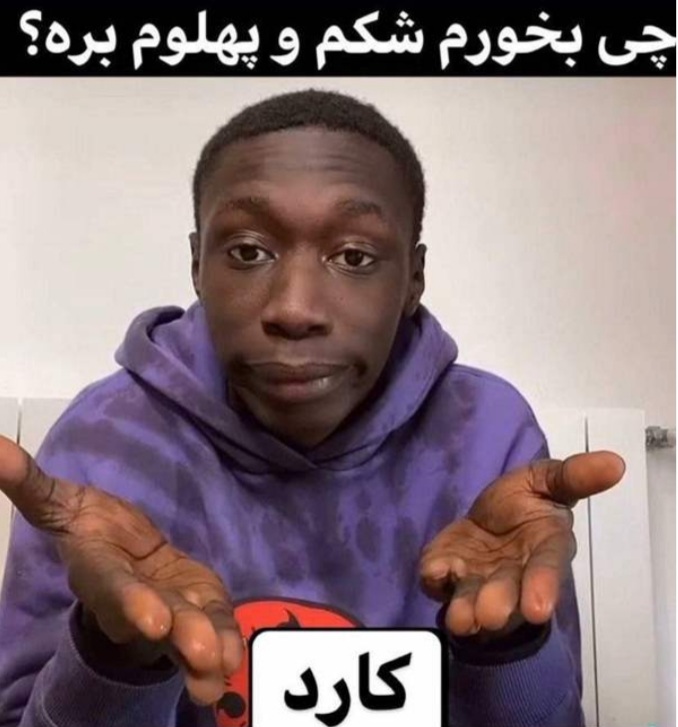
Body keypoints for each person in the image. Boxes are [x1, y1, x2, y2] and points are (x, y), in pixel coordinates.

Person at [0, 89, 624, 727]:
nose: (294, 309)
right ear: (196, 264)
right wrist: (114, 658)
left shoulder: (486, 436)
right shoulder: (105, 445)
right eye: (249, 251)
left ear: (413, 278)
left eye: (353, 257)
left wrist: (509, 649)